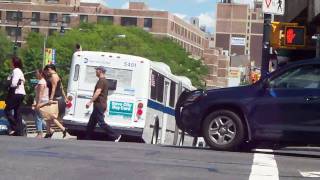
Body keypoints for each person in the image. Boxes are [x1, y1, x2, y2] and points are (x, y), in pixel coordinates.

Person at [85, 66, 121, 142]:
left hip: (99, 104)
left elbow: (98, 92)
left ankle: (116, 135)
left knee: (101, 122)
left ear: (100, 71)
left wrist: (90, 101)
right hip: (100, 104)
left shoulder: (101, 81)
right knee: (91, 122)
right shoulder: (104, 81)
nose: (95, 72)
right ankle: (87, 137)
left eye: (96, 70)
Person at [43, 64, 68, 138]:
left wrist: (51, 99)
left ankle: (63, 129)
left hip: (55, 98)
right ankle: (48, 132)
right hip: (58, 98)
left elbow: (53, 88)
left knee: (50, 116)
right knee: (48, 115)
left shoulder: (54, 76)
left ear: (49, 69)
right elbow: (62, 88)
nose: (47, 74)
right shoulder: (57, 76)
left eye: (47, 72)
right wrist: (65, 98)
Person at [4, 57, 26, 136]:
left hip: (16, 93)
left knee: (7, 110)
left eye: (11, 62)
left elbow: (13, 84)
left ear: (14, 63)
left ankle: (15, 128)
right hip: (21, 93)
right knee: (17, 112)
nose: (10, 63)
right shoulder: (20, 71)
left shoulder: (16, 71)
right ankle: (19, 131)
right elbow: (23, 80)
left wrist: (8, 82)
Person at [33, 69, 51, 138]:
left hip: (42, 101)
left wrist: (38, 103)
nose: (36, 74)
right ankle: (49, 129)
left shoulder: (41, 82)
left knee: (38, 117)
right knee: (41, 117)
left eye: (37, 73)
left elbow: (40, 94)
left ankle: (39, 133)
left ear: (41, 74)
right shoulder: (44, 81)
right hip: (44, 100)